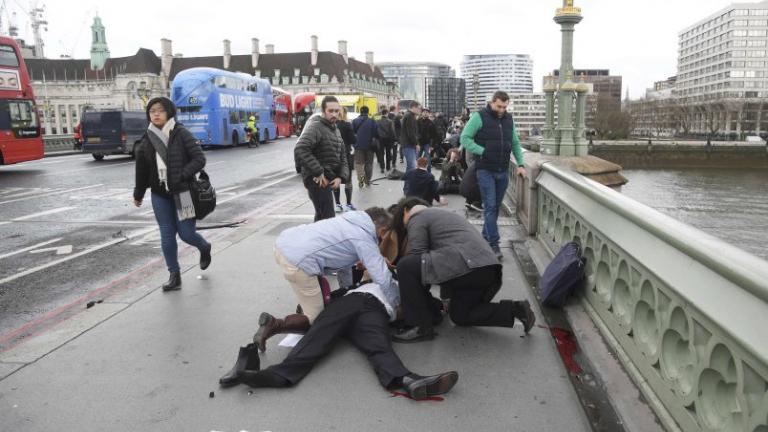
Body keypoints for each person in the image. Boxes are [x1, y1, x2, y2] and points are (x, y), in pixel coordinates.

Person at [220, 281, 459, 401]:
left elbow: (431, 308)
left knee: (377, 346)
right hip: (354, 301)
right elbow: (321, 302)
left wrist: (440, 308)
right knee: (320, 334)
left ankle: (407, 380)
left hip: (375, 311)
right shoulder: (366, 282)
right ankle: (280, 374)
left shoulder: (403, 283)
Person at [253, 207, 398, 352]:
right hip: (298, 261)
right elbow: (382, 277)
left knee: (315, 295)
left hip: (284, 244)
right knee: (318, 320)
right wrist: (396, 305)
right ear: (383, 230)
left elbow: (344, 265)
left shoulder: (351, 221)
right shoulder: (363, 237)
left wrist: (348, 294)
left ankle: (305, 305)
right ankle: (274, 324)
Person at [390, 199, 535, 343]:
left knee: (406, 266)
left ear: (406, 210)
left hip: (468, 266)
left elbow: (419, 259)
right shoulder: (440, 216)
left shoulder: (417, 217)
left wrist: (417, 303)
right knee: (460, 315)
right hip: (487, 270)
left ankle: (419, 326)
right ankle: (516, 309)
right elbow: (439, 263)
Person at [133, 97, 211, 291]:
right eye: (152, 111)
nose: (156, 114)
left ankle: (204, 247)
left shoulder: (181, 133)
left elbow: (199, 159)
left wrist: (182, 175)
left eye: (160, 110)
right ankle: (174, 275)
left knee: (186, 234)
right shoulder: (147, 138)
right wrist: (139, 193)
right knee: (167, 235)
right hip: (159, 194)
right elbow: (141, 169)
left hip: (183, 192)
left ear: (169, 112)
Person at [460, 91, 526, 260]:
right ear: (491, 102)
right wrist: (483, 151)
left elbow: (516, 143)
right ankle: (493, 244)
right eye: (499, 106)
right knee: (489, 206)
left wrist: (520, 164)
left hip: (502, 171)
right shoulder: (478, 116)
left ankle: (484, 237)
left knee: (494, 207)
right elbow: (465, 138)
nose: (502, 110)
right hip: (485, 170)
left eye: (505, 107)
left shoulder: (508, 119)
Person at [294, 96, 348, 222]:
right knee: (327, 218)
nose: (334, 114)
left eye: (336, 111)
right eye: (331, 111)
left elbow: (343, 157)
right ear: (324, 112)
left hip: (329, 178)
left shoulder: (336, 130)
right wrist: (318, 171)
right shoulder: (316, 127)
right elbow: (300, 149)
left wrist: (341, 177)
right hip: (317, 180)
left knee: (322, 217)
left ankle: (316, 240)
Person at [333, 109, 357, 212]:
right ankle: (348, 204)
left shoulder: (331, 126)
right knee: (348, 180)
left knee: (335, 180)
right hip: (345, 155)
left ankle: (337, 204)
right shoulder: (347, 125)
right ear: (345, 114)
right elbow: (353, 140)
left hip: (333, 156)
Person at [351, 106, 379, 187]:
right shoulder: (372, 121)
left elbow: (352, 134)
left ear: (360, 111)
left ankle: (361, 180)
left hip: (358, 146)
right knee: (369, 164)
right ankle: (367, 180)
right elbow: (377, 134)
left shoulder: (355, 121)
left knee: (359, 164)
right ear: (368, 112)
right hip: (370, 146)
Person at [400, 101, 421, 172]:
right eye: (419, 108)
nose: (420, 110)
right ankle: (409, 182)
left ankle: (408, 183)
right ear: (414, 107)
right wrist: (416, 143)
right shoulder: (409, 116)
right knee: (412, 166)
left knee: (410, 167)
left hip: (408, 145)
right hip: (408, 145)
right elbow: (411, 133)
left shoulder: (409, 115)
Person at [376, 108, 396, 173]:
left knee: (381, 154)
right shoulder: (390, 121)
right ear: (387, 113)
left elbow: (376, 131)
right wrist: (394, 139)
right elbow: (392, 131)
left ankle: (382, 167)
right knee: (388, 153)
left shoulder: (377, 121)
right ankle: (388, 167)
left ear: (381, 114)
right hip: (388, 139)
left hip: (380, 139)